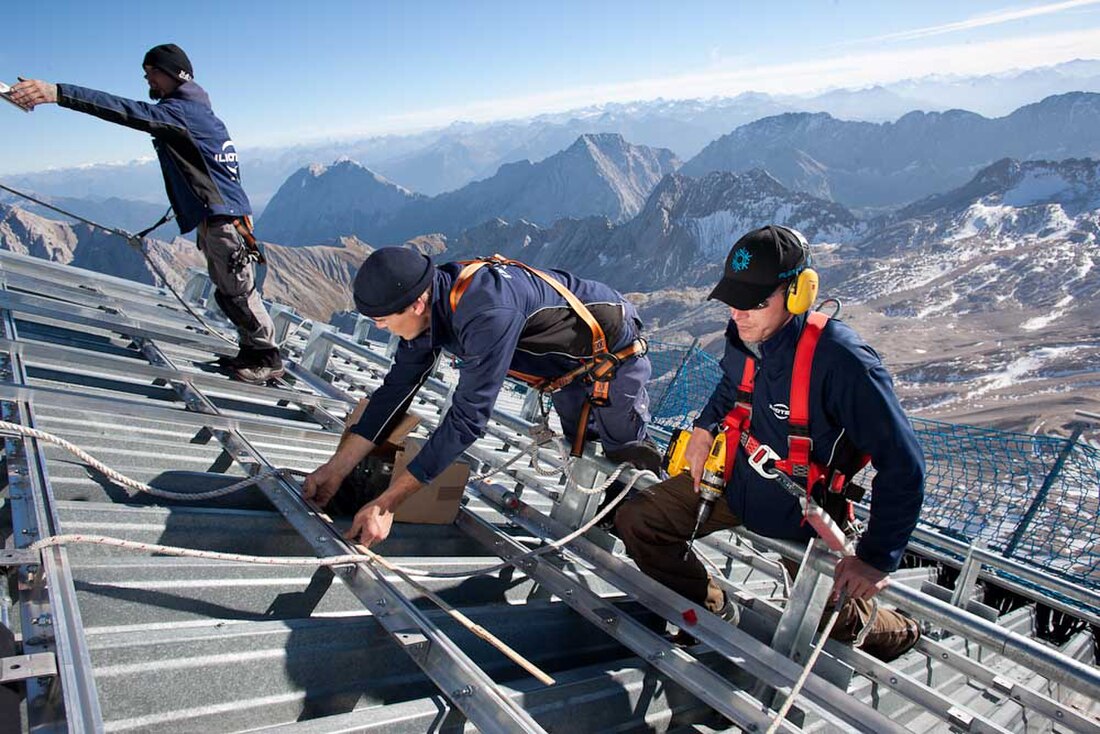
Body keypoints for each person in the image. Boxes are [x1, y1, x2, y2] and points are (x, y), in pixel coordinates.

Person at [615, 225, 925, 661]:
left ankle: (899, 632)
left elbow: (903, 464)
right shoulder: (746, 334)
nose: (738, 314)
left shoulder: (844, 362)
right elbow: (731, 385)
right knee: (640, 520)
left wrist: (876, 558)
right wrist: (705, 427)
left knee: (829, 618)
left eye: (755, 301)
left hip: (803, 511)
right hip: (737, 485)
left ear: (798, 293)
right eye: (733, 300)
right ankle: (713, 614)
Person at [303, 247, 662, 546]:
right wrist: (335, 470)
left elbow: (467, 420)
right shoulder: (429, 307)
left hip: (613, 356)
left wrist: (386, 505)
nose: (381, 328)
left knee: (625, 454)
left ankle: (652, 527)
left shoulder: (486, 311)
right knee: (583, 451)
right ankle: (608, 519)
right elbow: (394, 393)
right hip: (564, 371)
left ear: (415, 305)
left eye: (382, 321)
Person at [10, 44, 283, 384]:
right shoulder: (197, 112)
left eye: (151, 71)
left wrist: (58, 93)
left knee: (238, 291)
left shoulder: (182, 113)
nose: (146, 78)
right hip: (223, 217)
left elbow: (123, 110)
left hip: (224, 221)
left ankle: (267, 359)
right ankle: (252, 350)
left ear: (172, 73)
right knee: (231, 288)